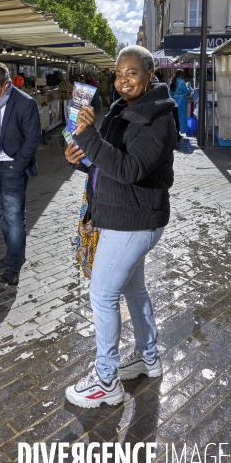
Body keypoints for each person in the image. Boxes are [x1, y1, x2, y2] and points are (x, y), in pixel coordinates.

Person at [64, 45, 176, 408]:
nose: (123, 80)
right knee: (134, 291)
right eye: (118, 73)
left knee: (102, 295)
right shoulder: (119, 109)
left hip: (134, 221)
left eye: (132, 73)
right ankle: (148, 357)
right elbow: (107, 165)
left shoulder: (159, 119)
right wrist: (81, 158)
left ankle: (106, 379)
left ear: (149, 75)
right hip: (118, 213)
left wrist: (89, 137)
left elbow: (130, 170)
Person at [0, 60, 42, 286]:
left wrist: (17, 165)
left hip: (11, 167)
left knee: (14, 219)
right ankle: (11, 256)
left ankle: (14, 266)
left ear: (7, 84)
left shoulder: (25, 103)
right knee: (3, 215)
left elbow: (33, 139)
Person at [169, 69, 192, 141]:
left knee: (174, 118)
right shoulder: (182, 82)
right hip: (181, 102)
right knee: (181, 118)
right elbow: (187, 92)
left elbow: (170, 93)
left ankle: (175, 133)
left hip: (174, 102)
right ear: (181, 75)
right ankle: (178, 133)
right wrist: (188, 86)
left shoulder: (172, 81)